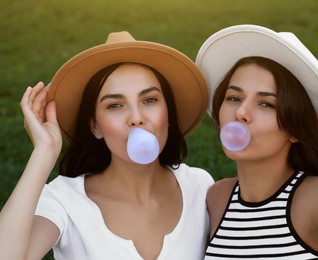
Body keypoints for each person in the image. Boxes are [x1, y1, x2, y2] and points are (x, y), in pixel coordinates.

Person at [0, 31, 214, 259]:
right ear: (95, 127)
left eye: (149, 100)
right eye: (115, 105)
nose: (136, 117)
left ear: (168, 114)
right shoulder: (63, 200)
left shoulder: (200, 187)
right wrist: (44, 151)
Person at [195, 24, 318, 259]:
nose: (241, 112)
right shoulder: (217, 198)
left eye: (266, 103)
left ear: (295, 129)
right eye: (234, 97)